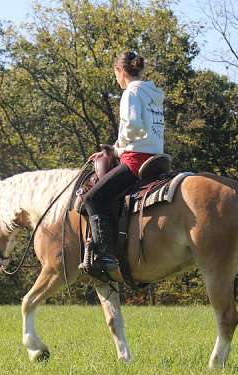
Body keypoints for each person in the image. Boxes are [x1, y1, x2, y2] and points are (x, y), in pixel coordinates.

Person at [83, 51, 165, 273]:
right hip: (157, 158)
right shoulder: (153, 94)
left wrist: (117, 149)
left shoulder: (131, 92)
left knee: (92, 199)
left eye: (115, 74)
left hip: (136, 160)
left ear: (120, 71)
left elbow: (134, 128)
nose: (116, 79)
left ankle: (104, 255)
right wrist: (115, 148)